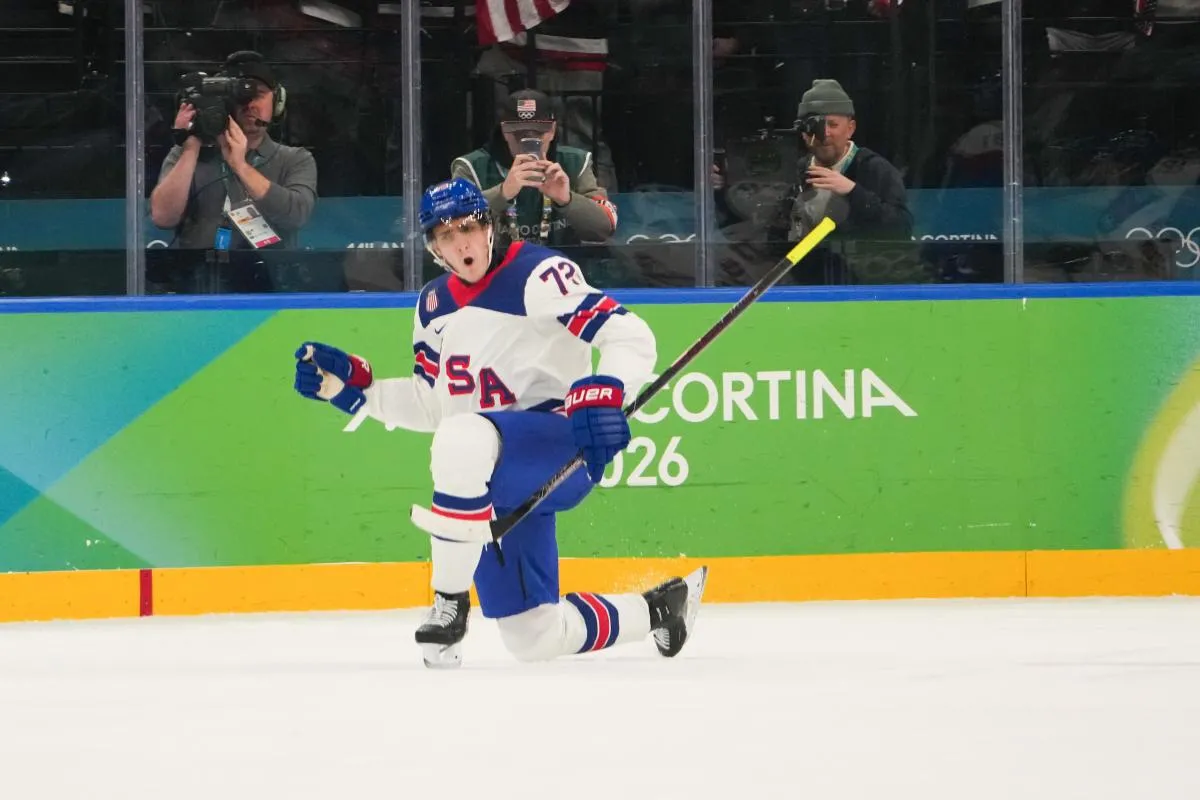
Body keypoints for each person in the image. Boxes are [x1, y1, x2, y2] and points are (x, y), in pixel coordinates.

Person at [291, 177, 707, 669]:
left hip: (559, 448)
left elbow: (631, 336)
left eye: (468, 226)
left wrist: (607, 388)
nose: (461, 242)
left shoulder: (539, 274)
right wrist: (357, 393)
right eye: (446, 235)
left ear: (490, 226)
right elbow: (433, 406)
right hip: (486, 476)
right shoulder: (432, 306)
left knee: (462, 438)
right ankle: (660, 608)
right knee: (533, 638)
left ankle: (449, 602)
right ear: (433, 246)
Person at [149, 50, 317, 252]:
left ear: (277, 102)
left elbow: (296, 215)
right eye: (240, 96)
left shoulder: (295, 159)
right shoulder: (187, 154)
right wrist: (191, 145)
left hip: (270, 277)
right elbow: (163, 217)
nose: (249, 104)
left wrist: (240, 166)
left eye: (258, 95)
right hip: (198, 275)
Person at [450, 89, 618, 247]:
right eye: (520, 134)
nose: (529, 143)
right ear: (505, 131)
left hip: (561, 269)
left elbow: (604, 229)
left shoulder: (576, 162)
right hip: (495, 271)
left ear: (552, 130)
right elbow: (453, 227)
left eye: (538, 133)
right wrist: (502, 193)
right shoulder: (470, 167)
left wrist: (567, 200)